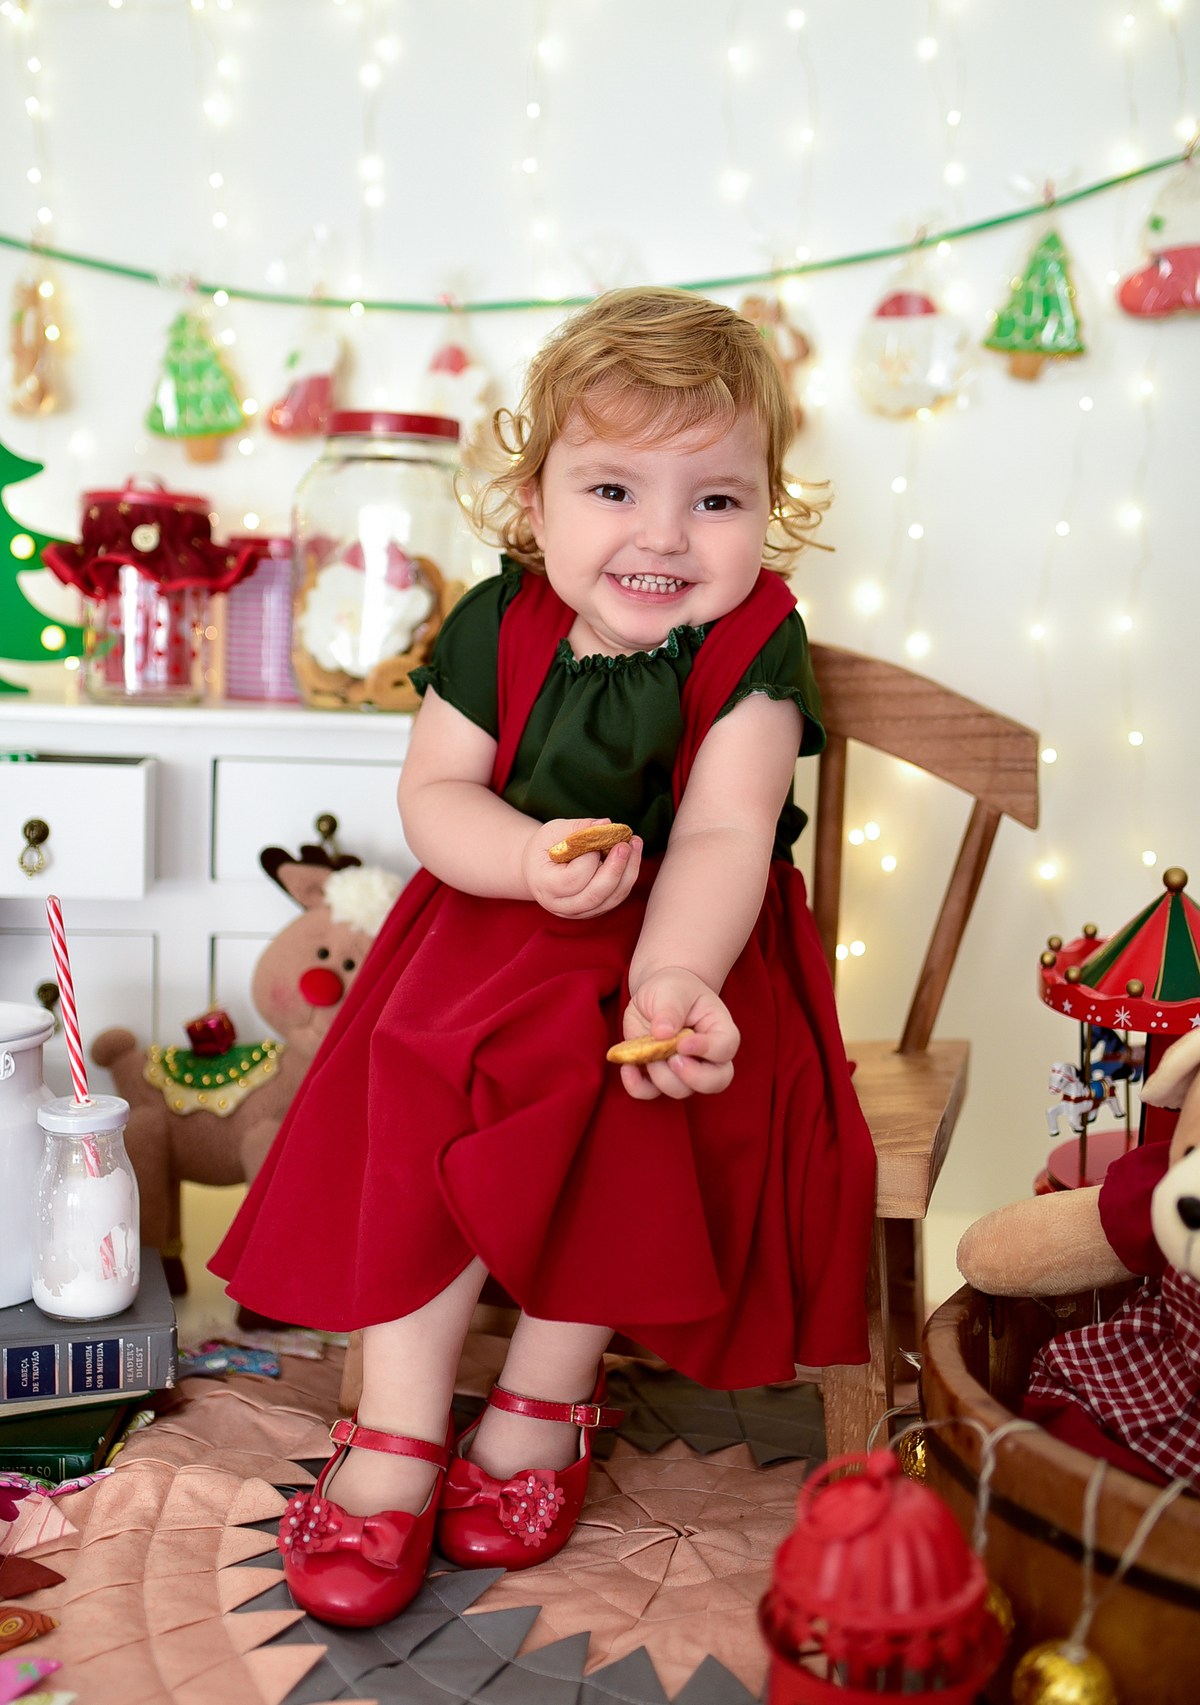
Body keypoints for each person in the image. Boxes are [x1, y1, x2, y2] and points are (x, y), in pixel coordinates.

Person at [212, 286, 876, 1628]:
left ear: (768, 508)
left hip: (688, 943)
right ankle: (400, 1425)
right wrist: (525, 859)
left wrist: (674, 977)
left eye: (716, 499)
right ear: (534, 499)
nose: (663, 534)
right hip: (486, 923)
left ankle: (542, 1399)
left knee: (624, 1096)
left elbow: (728, 829)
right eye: (615, 488)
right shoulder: (494, 622)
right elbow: (435, 797)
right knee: (421, 1083)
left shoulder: (757, 639)